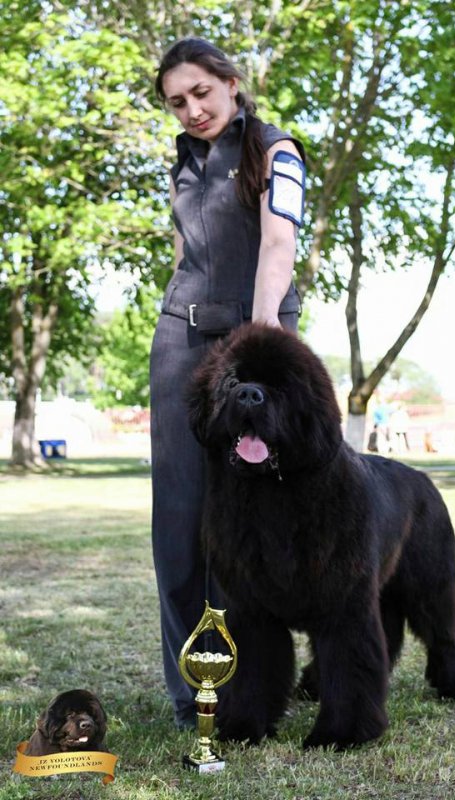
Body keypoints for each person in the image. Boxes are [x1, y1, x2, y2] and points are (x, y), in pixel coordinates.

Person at [149, 37, 305, 729]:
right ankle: (194, 695)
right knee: (180, 523)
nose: (191, 110)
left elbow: (278, 244)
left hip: (256, 348)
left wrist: (263, 339)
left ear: (231, 83)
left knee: (254, 523)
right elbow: (184, 254)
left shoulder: (277, 150)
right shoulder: (182, 164)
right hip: (183, 349)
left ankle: (256, 685)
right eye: (177, 102)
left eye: (200, 93)